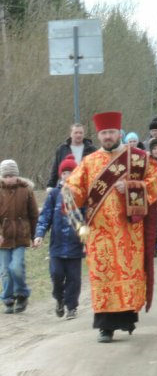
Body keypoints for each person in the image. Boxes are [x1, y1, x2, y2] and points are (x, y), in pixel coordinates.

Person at [65, 111, 157, 343]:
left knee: (128, 272)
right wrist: (69, 191)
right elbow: (76, 189)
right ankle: (105, 327)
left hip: (129, 231)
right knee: (102, 276)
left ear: (119, 132)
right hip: (99, 232)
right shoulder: (89, 162)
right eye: (103, 133)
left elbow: (155, 183)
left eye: (111, 132)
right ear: (99, 135)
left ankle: (127, 319)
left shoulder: (137, 158)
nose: (108, 136)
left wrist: (130, 187)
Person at [34, 155, 85, 319]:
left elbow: (87, 218)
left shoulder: (81, 194)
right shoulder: (54, 194)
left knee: (74, 279)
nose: (67, 175)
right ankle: (60, 299)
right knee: (56, 276)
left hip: (75, 245)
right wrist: (39, 234)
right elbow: (45, 216)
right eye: (65, 172)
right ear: (60, 174)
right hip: (56, 246)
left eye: (71, 172)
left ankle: (71, 307)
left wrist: (87, 240)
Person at [0, 159, 39, 314]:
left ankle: (22, 294)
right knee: (5, 270)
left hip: (21, 237)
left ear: (17, 175)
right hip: (3, 238)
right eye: (6, 176)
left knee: (16, 267)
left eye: (12, 175)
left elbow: (34, 215)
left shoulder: (26, 190)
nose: (9, 178)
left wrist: (36, 236)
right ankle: (8, 298)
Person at [47, 123, 97, 191]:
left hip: (85, 186)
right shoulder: (62, 149)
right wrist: (50, 186)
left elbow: (96, 169)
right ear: (71, 134)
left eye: (81, 133)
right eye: (76, 133)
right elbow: (55, 169)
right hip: (65, 186)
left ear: (84, 134)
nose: (78, 135)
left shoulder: (92, 149)